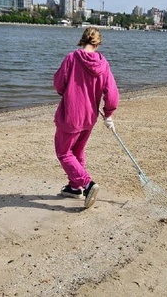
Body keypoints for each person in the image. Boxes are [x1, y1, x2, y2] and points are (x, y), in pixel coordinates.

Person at [53, 27, 119, 209]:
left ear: (82, 40)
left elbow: (59, 84)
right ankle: (75, 187)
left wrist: (66, 91)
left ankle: (87, 184)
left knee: (64, 152)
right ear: (98, 43)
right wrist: (108, 114)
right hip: (89, 117)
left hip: (71, 115)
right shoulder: (103, 64)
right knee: (77, 152)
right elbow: (112, 93)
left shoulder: (72, 58)